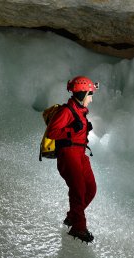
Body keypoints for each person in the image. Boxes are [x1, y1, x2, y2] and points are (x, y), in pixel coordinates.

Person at [46, 75, 99, 244]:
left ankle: (72, 217)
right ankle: (79, 227)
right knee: (78, 190)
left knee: (90, 189)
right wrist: (70, 130)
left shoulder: (80, 111)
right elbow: (51, 133)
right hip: (68, 156)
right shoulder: (66, 111)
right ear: (82, 94)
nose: (91, 99)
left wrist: (83, 129)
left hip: (80, 155)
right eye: (90, 95)